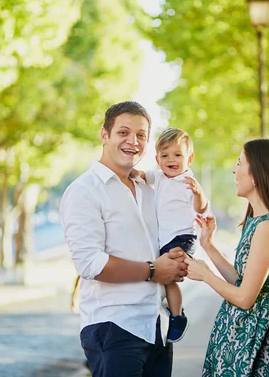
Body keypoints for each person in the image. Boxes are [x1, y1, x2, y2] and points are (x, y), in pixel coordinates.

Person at [60, 101, 188, 377]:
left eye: (141, 135)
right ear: (104, 135)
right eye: (123, 133)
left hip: (157, 326)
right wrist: (154, 270)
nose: (133, 142)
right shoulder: (84, 191)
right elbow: (90, 264)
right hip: (114, 328)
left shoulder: (150, 187)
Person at [184, 138, 269, 377]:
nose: (234, 170)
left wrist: (206, 275)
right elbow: (241, 280)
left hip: (247, 343)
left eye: (240, 163)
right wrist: (208, 246)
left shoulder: (268, 228)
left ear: (257, 174)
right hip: (236, 337)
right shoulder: (256, 222)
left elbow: (245, 298)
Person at [132, 127, 209, 343]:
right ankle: (173, 309)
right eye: (164, 155)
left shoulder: (188, 182)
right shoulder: (159, 176)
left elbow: (201, 208)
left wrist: (199, 194)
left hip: (183, 237)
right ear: (157, 159)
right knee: (165, 278)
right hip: (164, 238)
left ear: (189, 158)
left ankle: (177, 317)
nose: (171, 160)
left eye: (177, 155)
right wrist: (134, 173)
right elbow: (143, 175)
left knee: (169, 277)